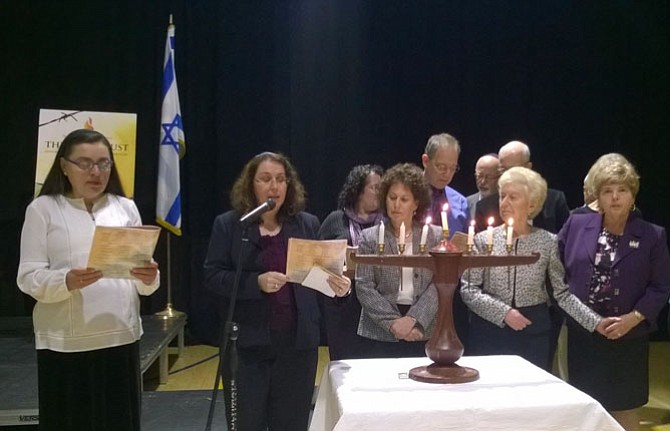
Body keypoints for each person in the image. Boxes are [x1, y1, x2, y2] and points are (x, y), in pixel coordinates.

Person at [16, 129, 160, 431]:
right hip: (66, 344)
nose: (96, 172)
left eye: (104, 163)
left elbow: (142, 282)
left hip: (120, 336)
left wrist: (149, 276)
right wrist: (65, 280)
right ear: (64, 166)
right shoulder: (43, 209)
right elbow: (27, 277)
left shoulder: (125, 207)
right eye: (85, 163)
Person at [203, 151, 350, 431]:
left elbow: (320, 277)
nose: (274, 186)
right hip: (247, 346)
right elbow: (212, 276)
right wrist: (255, 283)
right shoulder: (232, 225)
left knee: (292, 424)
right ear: (251, 185)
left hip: (296, 347)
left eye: (281, 180)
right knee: (248, 424)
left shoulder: (307, 223)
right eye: (266, 179)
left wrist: (339, 288)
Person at [558, 154, 670, 431]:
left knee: (625, 405)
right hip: (585, 334)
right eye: (608, 191)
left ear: (633, 195)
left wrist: (633, 318)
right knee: (585, 405)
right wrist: (590, 320)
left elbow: (660, 287)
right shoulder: (575, 225)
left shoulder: (653, 235)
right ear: (598, 196)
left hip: (629, 335)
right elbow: (556, 270)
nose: (615, 197)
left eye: (622, 190)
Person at [460, 167, 611, 370]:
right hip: (489, 331)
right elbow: (469, 290)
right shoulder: (481, 240)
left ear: (531, 204)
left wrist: (596, 322)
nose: (504, 203)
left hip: (533, 333)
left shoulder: (548, 242)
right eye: (502, 196)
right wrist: (504, 313)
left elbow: (562, 294)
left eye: (513, 197)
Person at [355, 163, 443, 358]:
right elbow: (364, 286)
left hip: (422, 328)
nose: (396, 204)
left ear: (416, 204)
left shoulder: (434, 236)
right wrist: (393, 323)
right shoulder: (369, 237)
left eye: (404, 199)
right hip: (379, 331)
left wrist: (414, 318)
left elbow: (440, 283)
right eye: (392, 197)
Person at [318, 164, 384, 360]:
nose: (380, 192)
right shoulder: (336, 220)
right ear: (358, 190)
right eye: (375, 187)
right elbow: (319, 261)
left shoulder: (387, 222)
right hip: (344, 308)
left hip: (378, 306)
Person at [474, 140, 570, 233]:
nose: (509, 174)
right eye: (503, 169)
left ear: (528, 167)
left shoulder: (554, 200)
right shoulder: (485, 208)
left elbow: (566, 241)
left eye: (514, 168)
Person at [421, 133, 469, 235]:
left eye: (453, 168)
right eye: (441, 167)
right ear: (425, 161)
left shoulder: (461, 203)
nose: (447, 174)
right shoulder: (404, 196)